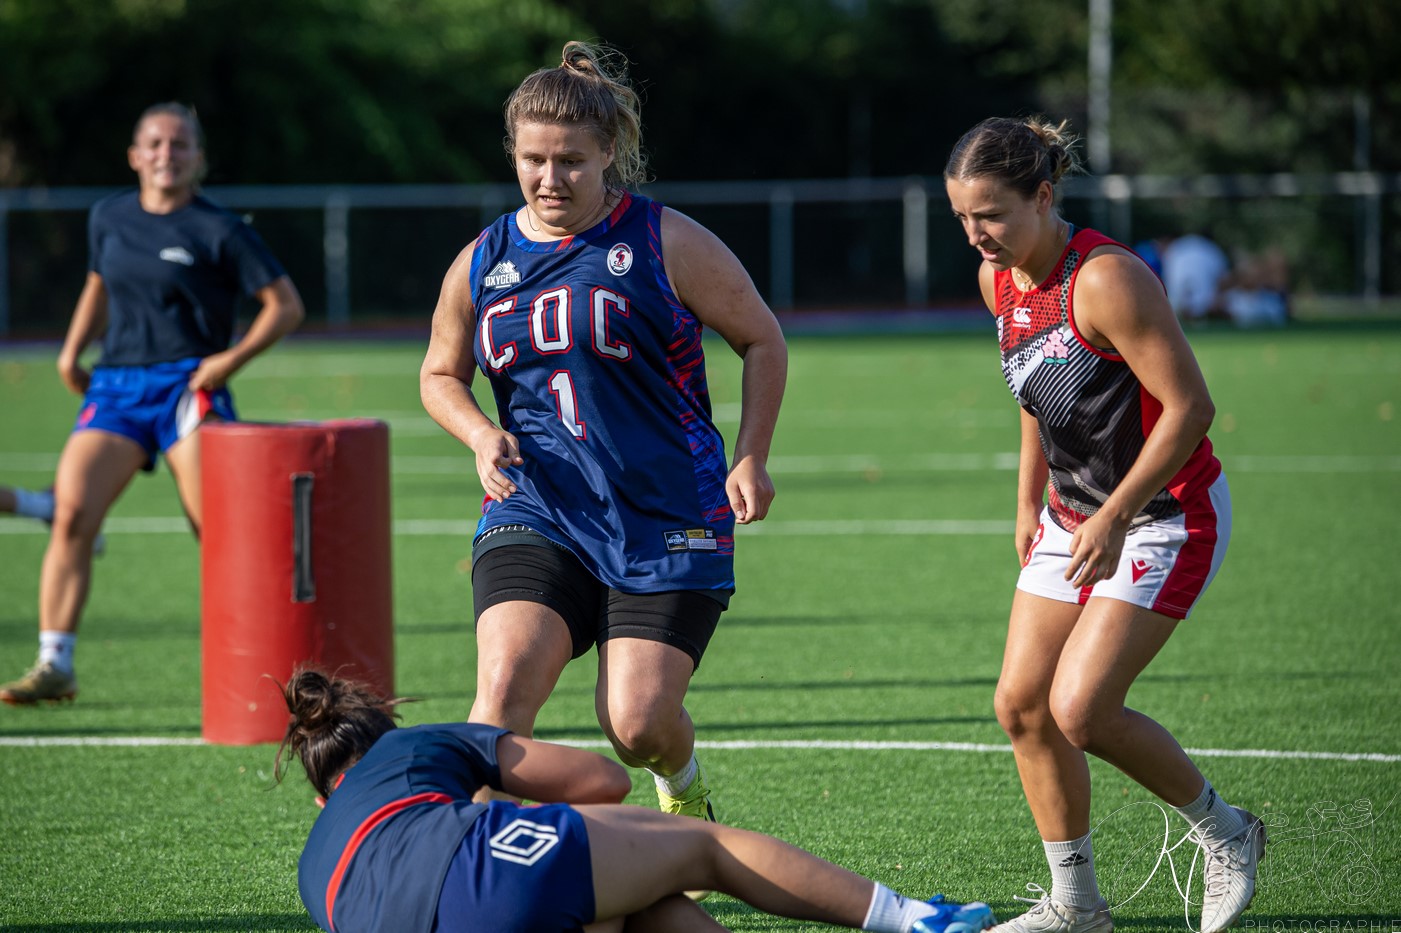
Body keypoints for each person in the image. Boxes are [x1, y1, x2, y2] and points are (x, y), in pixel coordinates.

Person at [419, 42, 786, 828]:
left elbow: (762, 338)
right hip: (537, 506)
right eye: (532, 161)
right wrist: (481, 433)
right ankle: (480, 881)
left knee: (635, 724)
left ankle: (683, 789)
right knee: (501, 695)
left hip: (666, 511)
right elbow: (438, 374)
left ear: (609, 153)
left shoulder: (663, 241)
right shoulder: (482, 260)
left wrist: (750, 453)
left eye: (570, 162)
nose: (549, 179)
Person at [943, 117, 1265, 933]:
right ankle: (1076, 905)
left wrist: (1117, 515)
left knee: (1080, 707)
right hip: (1073, 514)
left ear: (1043, 197)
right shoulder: (1000, 280)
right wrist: (1026, 500)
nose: (977, 234)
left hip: (1164, 514)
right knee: (1020, 705)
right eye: (962, 218)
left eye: (992, 215)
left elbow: (1190, 408)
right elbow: (1035, 392)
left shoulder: (1106, 279)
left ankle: (1226, 831)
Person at [277, 666, 995, 933]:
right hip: (486, 878)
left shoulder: (314, 861)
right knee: (698, 846)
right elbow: (603, 781)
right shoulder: (412, 747)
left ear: (322, 797)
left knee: (629, 900)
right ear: (382, 736)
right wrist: (495, 789)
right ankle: (912, 919)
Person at [0, 102, 304, 706]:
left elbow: (286, 305)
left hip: (189, 389)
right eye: (156, 144)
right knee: (71, 515)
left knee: (218, 533)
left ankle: (265, 671)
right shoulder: (108, 217)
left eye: (181, 144)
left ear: (199, 159)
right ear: (135, 156)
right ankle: (55, 663)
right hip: (116, 387)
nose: (168, 154)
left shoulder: (221, 230)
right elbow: (99, 282)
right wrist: (70, 351)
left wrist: (226, 362)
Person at [1159, 232, 1229, 323]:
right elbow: (1223, 279)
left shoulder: (1175, 249)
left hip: (1187, 302)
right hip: (1200, 302)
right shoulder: (1212, 250)